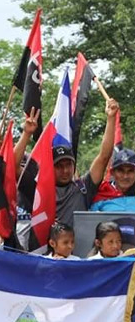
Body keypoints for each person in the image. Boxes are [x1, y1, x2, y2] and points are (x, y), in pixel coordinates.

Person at [14, 99, 119, 231]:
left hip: (78, 251)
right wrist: (26, 134)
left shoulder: (83, 188)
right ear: (49, 167)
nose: (65, 170)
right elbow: (12, 167)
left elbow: (104, 157)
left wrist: (111, 118)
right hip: (41, 251)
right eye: (59, 166)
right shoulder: (37, 190)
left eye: (68, 165)